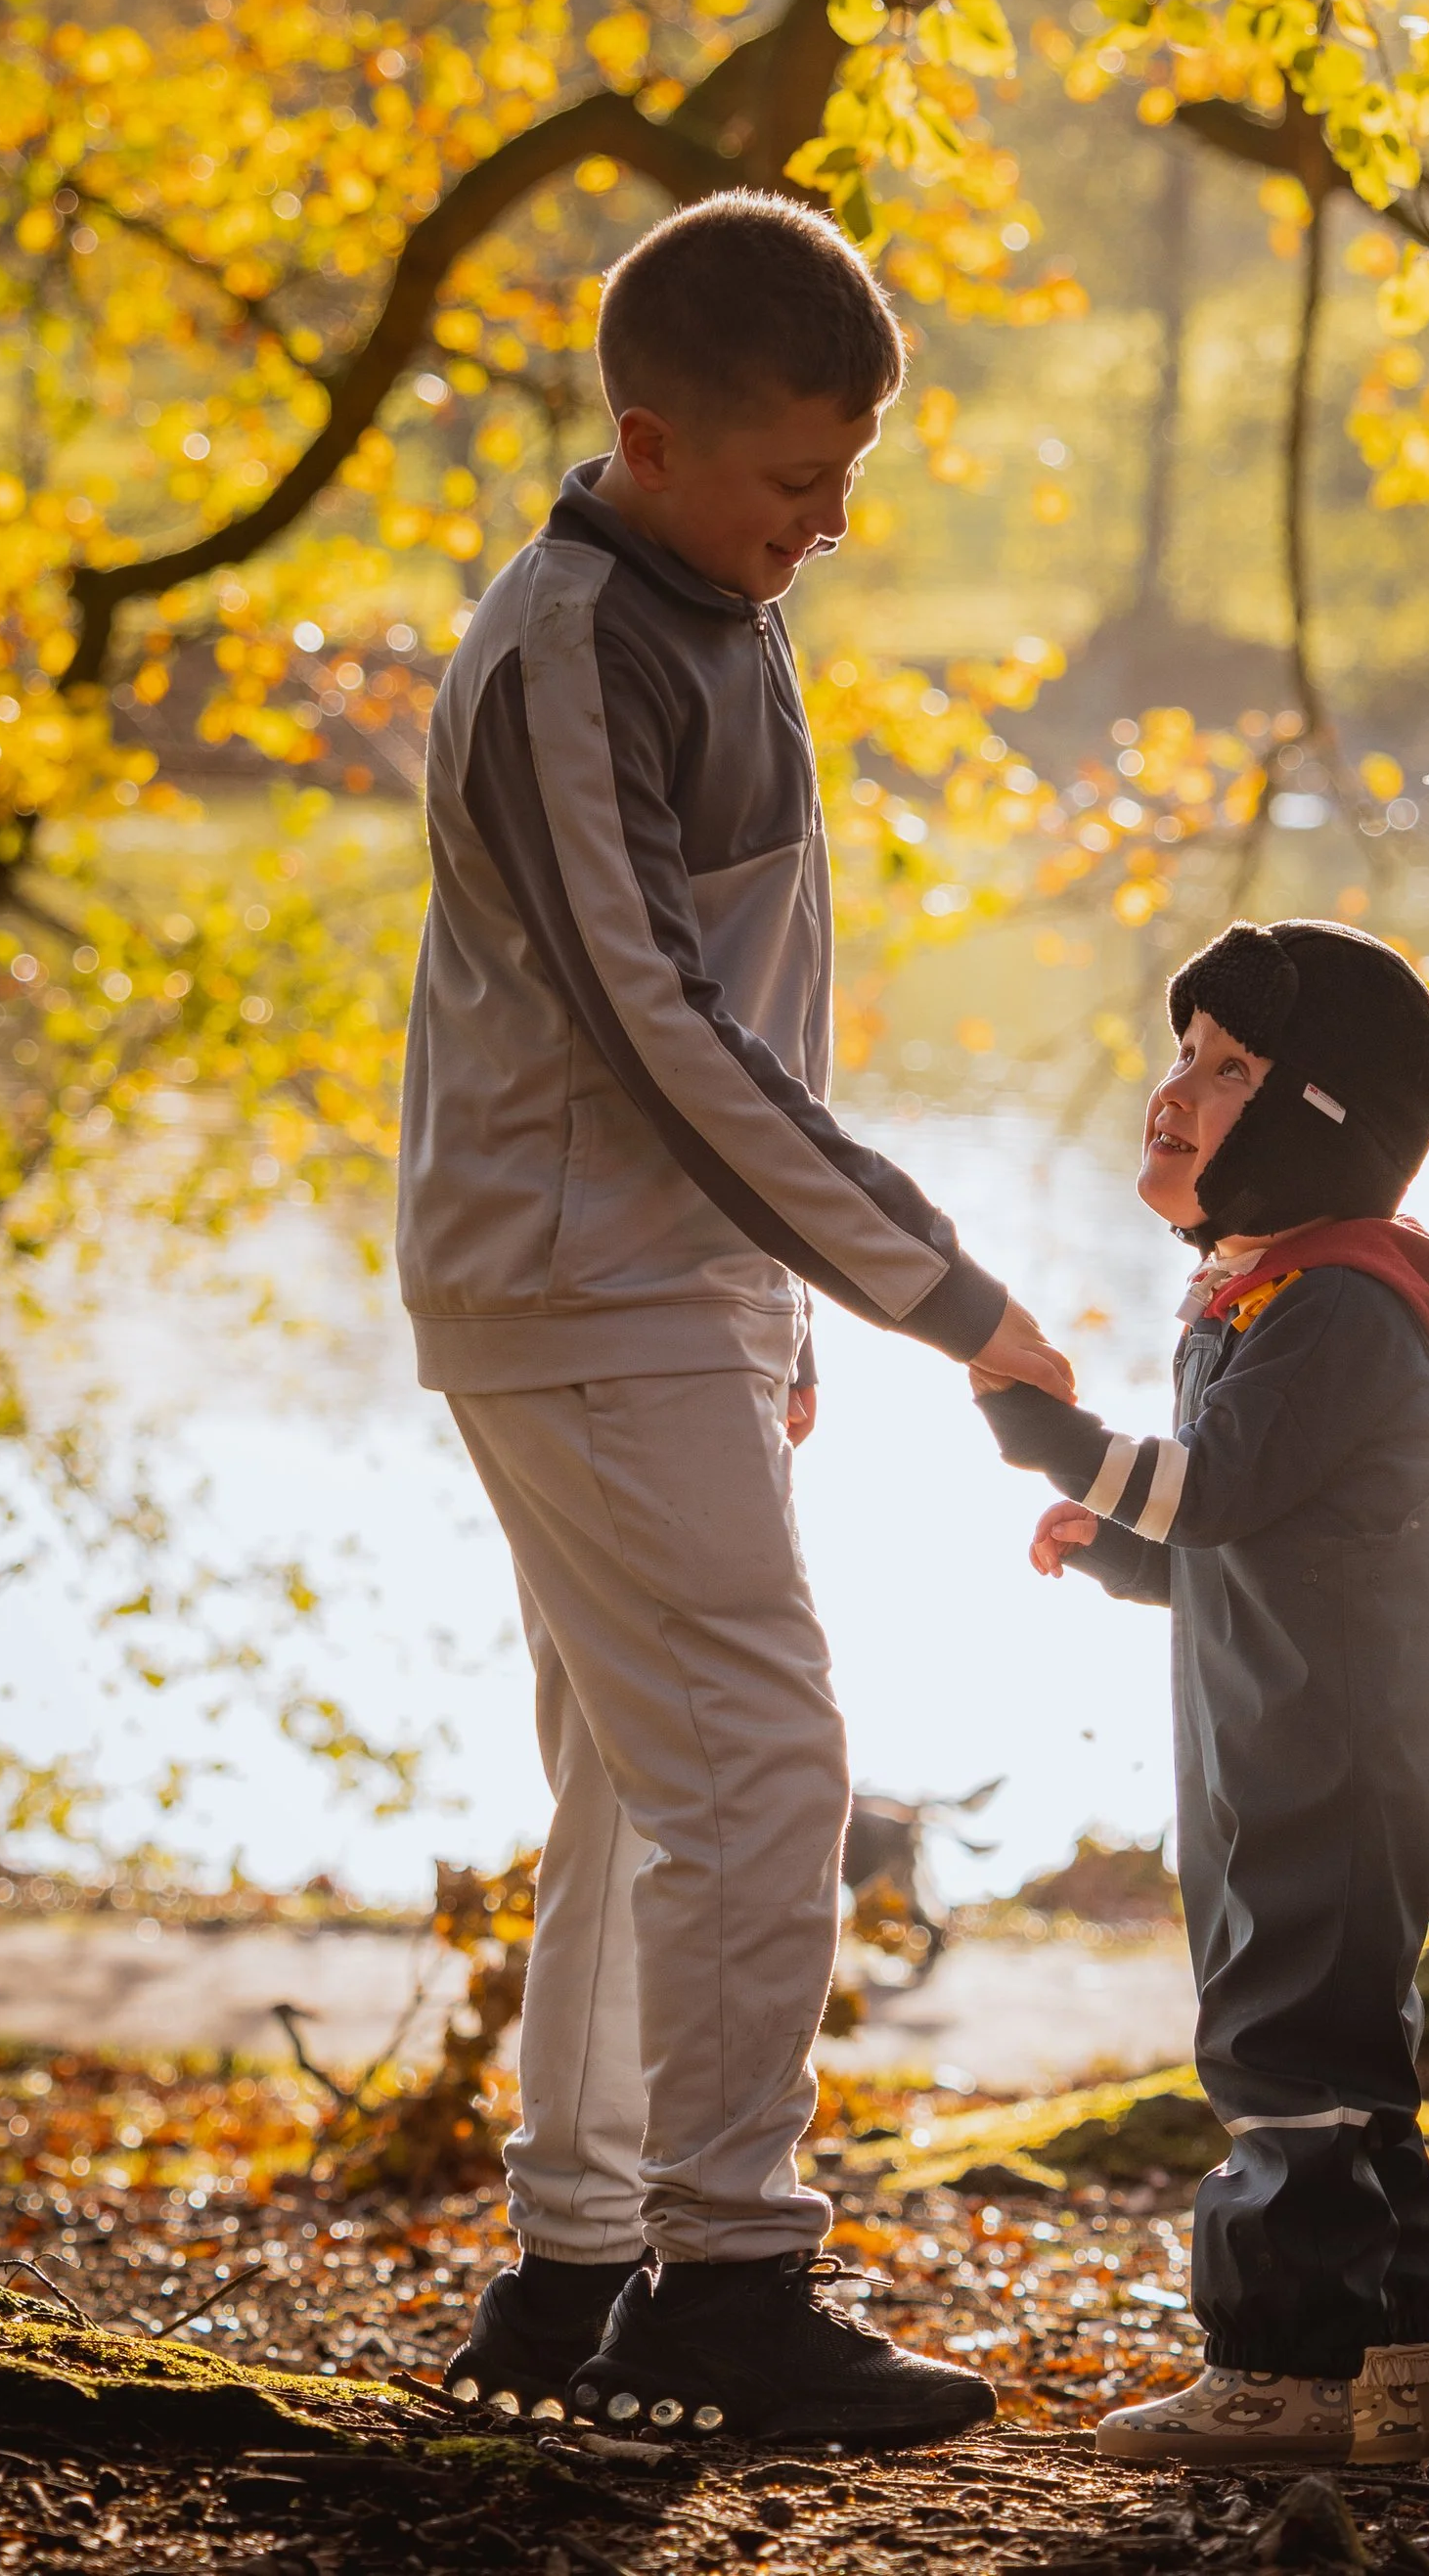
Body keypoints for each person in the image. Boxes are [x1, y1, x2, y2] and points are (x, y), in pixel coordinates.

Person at [399, 190, 1072, 2446]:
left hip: (665, 1286)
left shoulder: (715, 600)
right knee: (768, 1757)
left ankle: (577, 2261)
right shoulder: (571, 644)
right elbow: (663, 1032)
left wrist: (784, 1316)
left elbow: (751, 1008)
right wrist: (940, 1290)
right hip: (575, 1274)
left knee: (631, 1773)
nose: (828, 520)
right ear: (649, 436)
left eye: (849, 475)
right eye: (795, 478)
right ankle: (725, 2280)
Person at [976, 919, 1429, 2468]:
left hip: (1330, 1759)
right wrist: (1115, 1546)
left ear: (1318, 1122)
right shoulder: (1265, 1294)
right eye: (1184, 1053)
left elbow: (1207, 1492)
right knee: (1350, 2063)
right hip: (1291, 1740)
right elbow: (1237, 1536)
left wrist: (1040, 1425)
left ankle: (1280, 2376)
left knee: (1284, 2059)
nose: (1179, 1089)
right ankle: (1387, 2370)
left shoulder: (1339, 1307)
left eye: (1232, 1070)